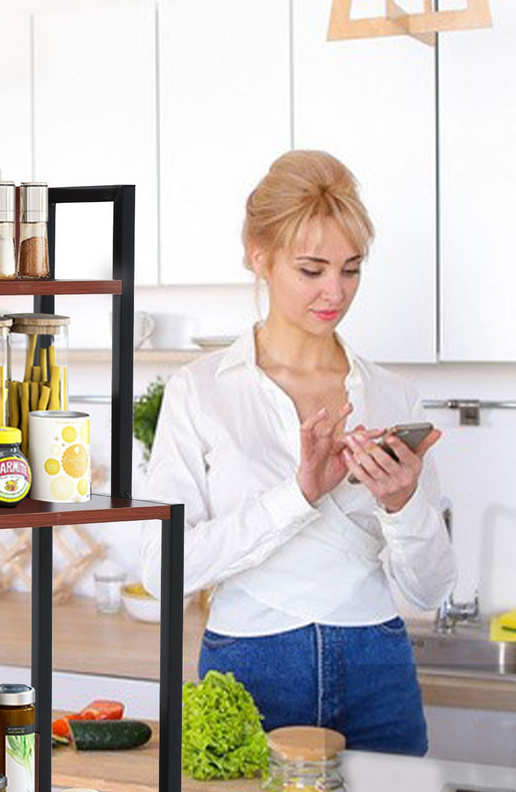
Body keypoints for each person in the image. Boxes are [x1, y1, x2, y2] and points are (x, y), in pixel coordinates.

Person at [140, 150, 456, 756]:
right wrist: (300, 493)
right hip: (252, 667)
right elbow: (162, 571)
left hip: (377, 664)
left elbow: (431, 588)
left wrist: (404, 502)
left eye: (351, 269)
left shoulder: (392, 395)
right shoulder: (202, 391)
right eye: (311, 269)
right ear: (259, 255)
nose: (334, 292)